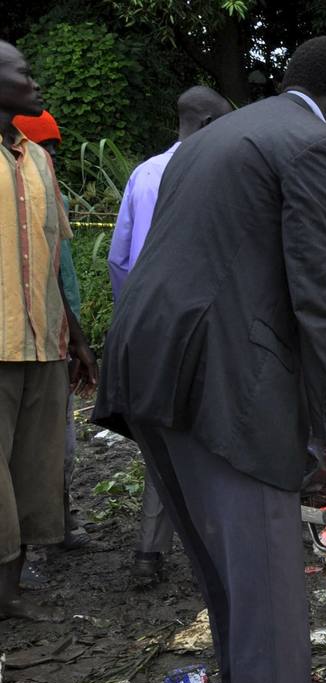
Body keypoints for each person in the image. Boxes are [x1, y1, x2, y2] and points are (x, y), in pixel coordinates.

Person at [93, 36, 326, 683]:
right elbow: (321, 304)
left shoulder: (215, 136)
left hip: (149, 368)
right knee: (269, 609)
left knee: (225, 586)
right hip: (224, 386)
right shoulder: (318, 144)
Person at [105, 86, 232, 583]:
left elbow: (119, 258)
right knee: (210, 435)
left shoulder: (143, 173)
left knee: (162, 439)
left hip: (146, 327)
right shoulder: (217, 171)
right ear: (204, 125)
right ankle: (216, 546)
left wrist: (133, 316)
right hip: (202, 324)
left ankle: (149, 552)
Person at [1, 42, 98, 621]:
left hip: (43, 345)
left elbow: (52, 256)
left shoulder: (38, 159)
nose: (35, 83)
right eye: (24, 73)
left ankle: (10, 593)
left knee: (34, 473)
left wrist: (79, 340)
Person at [10, 110, 94, 560]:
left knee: (58, 444)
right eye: (47, 147)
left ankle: (58, 524)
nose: (52, 156)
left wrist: (74, 336)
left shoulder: (43, 183)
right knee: (35, 446)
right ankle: (31, 539)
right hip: (25, 339)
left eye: (55, 149)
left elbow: (59, 277)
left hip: (55, 333)